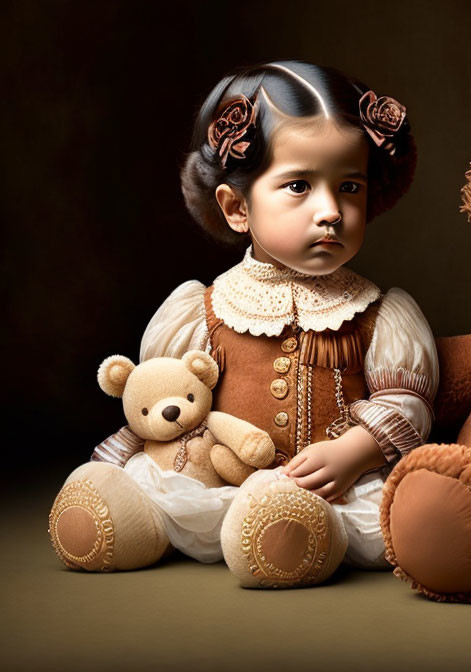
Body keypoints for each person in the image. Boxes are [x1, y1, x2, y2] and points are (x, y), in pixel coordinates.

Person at [81, 60, 437, 587]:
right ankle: (120, 525)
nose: (331, 211)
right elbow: (163, 398)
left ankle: (291, 538)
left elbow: (406, 403)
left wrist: (352, 452)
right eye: (299, 186)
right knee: (152, 490)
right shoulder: (205, 308)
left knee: (398, 511)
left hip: (335, 489)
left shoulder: (378, 312)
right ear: (236, 207)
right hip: (219, 481)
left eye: (350, 187)